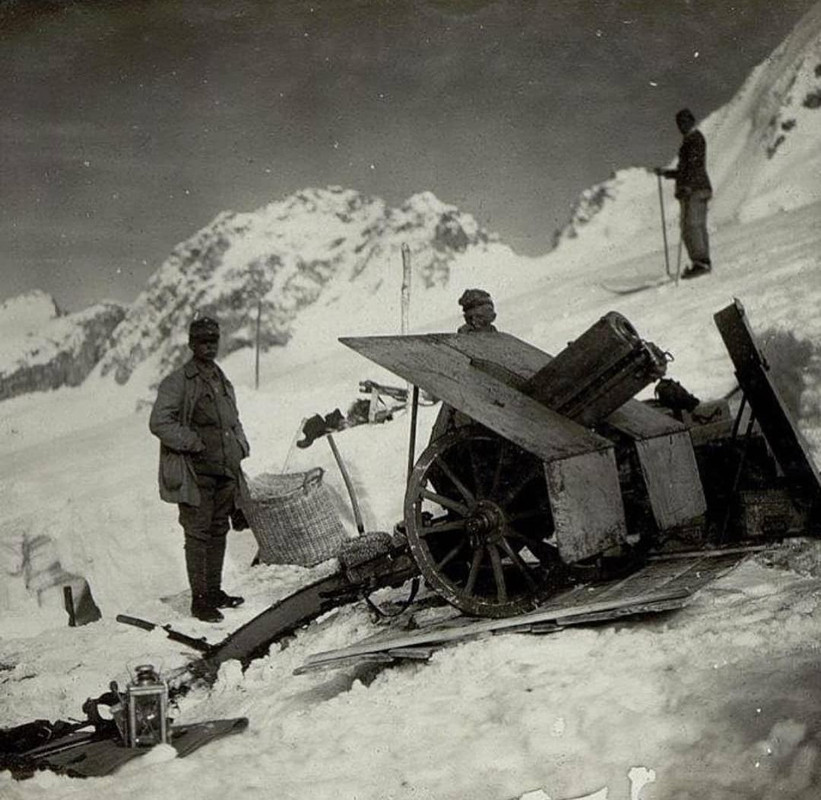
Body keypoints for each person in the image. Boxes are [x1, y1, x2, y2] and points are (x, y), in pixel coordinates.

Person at [149, 316, 251, 623]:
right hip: (195, 474)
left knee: (219, 529)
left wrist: (241, 445)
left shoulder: (221, 379)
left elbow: (231, 420)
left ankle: (215, 591)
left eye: (213, 340)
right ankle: (200, 600)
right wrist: (192, 441)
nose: (209, 345)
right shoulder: (178, 381)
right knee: (197, 534)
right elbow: (159, 422)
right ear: (192, 344)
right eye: (203, 340)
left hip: (223, 471)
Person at [430, 289, 499, 442]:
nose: (475, 323)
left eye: (481, 318)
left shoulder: (501, 342)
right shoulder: (461, 342)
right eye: (470, 319)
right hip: (465, 411)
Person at [656, 108, 713, 280]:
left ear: (691, 121)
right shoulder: (692, 139)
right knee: (696, 225)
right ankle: (702, 261)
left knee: (691, 226)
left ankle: (701, 263)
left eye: (684, 122)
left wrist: (687, 186)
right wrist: (667, 174)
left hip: (694, 189)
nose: (681, 126)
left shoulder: (694, 140)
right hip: (698, 187)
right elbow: (688, 168)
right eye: (679, 123)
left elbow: (693, 166)